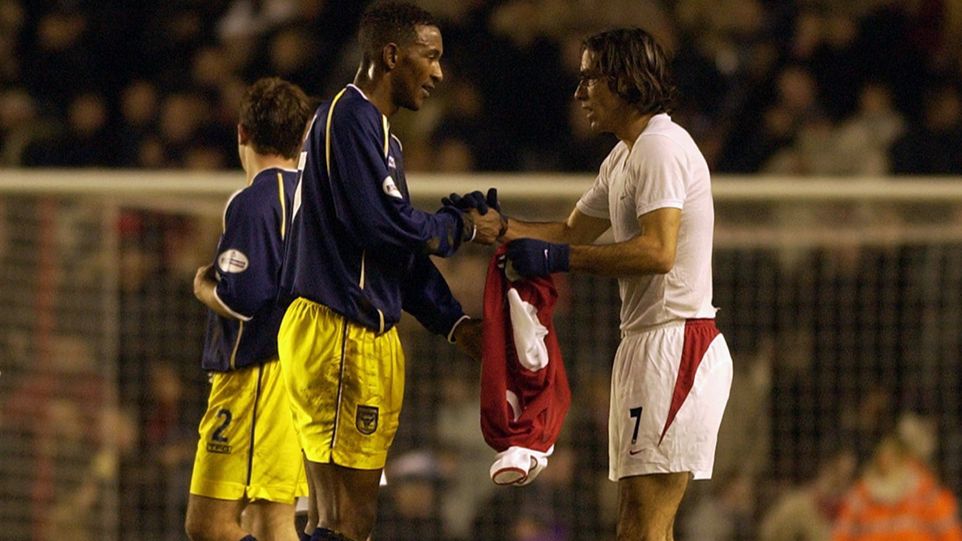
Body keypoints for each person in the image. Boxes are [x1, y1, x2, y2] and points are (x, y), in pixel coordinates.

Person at [461, 28, 734, 540]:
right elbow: (567, 231)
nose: (579, 93)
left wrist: (559, 258)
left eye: (589, 79)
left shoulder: (660, 147)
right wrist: (495, 226)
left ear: (623, 80)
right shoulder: (624, 156)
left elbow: (658, 251)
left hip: (678, 343)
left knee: (643, 526)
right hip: (645, 344)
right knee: (638, 523)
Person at [276, 3, 504, 541]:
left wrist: (452, 322)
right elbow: (391, 229)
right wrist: (462, 226)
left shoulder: (375, 134)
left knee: (333, 518)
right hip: (339, 337)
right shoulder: (350, 116)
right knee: (347, 520)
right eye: (430, 57)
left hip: (347, 336)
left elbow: (394, 253)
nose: (439, 72)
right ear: (392, 55)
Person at [185, 76, 314, 541]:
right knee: (269, 520)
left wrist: (204, 288)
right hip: (300, 373)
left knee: (210, 524)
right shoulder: (317, 196)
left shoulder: (254, 200)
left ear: (242, 132)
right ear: (303, 138)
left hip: (257, 376)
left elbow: (244, 297)